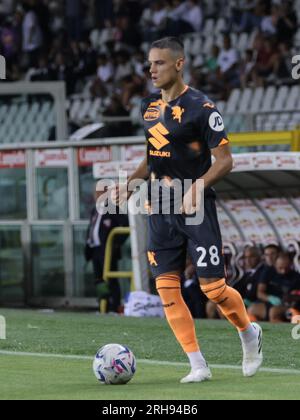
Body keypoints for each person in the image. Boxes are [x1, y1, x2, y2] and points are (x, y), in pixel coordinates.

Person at [115, 37, 263, 383]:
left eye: (159, 63)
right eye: (149, 63)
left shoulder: (202, 108)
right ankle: (198, 364)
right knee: (167, 289)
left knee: (213, 289)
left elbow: (225, 161)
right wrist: (130, 183)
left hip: (195, 206)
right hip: (159, 207)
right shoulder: (148, 106)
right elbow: (154, 154)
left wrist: (198, 185)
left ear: (179, 64)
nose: (152, 70)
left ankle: (248, 333)